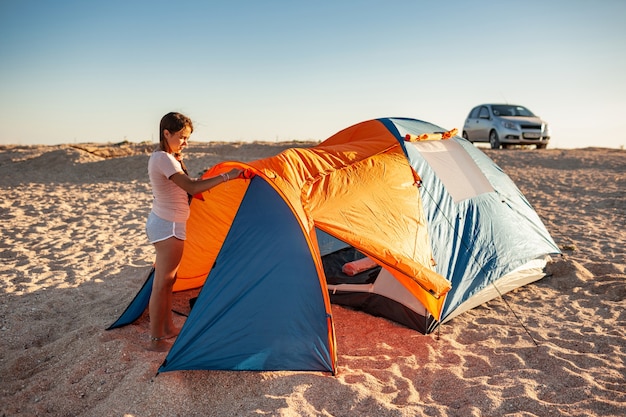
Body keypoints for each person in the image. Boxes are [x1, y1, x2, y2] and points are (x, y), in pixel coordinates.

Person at [145, 112, 241, 351]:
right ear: (166, 133)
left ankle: (166, 328)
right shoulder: (163, 158)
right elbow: (190, 185)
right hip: (167, 226)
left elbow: (186, 190)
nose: (185, 142)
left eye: (188, 138)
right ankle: (157, 339)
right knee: (162, 282)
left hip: (171, 223)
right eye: (182, 137)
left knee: (170, 281)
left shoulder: (169, 157)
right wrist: (227, 176)